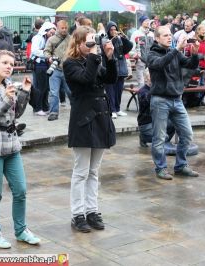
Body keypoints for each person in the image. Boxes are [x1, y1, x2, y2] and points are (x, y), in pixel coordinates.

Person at [0, 49, 40, 248]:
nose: (9, 67)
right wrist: (4, 98)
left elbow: (16, 113)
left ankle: (21, 230)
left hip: (11, 145)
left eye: (11, 64)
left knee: (20, 190)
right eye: (5, 63)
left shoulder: (8, 85)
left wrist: (25, 92)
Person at [63, 26, 117, 232]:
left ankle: (92, 211)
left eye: (94, 41)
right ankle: (77, 214)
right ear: (77, 43)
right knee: (81, 172)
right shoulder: (70, 64)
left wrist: (110, 58)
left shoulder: (93, 60)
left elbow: (110, 79)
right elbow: (85, 79)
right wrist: (96, 56)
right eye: (89, 41)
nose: (93, 45)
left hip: (101, 118)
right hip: (84, 121)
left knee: (94, 171)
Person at [147, 26, 200, 180]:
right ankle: (161, 168)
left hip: (177, 100)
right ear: (157, 38)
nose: (169, 37)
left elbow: (190, 65)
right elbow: (161, 63)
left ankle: (181, 165)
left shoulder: (174, 53)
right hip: (160, 100)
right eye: (165, 35)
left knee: (187, 134)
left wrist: (195, 54)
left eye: (170, 35)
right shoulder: (151, 54)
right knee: (159, 138)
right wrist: (176, 49)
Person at [103, 21, 133, 119]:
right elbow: (106, 49)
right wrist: (115, 39)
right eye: (111, 30)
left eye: (114, 29)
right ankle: (112, 110)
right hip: (110, 69)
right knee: (110, 91)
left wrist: (124, 38)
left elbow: (128, 47)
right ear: (108, 30)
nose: (113, 31)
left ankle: (118, 108)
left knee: (119, 91)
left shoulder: (120, 39)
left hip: (121, 68)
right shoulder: (105, 39)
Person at [43, 20, 71, 121]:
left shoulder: (71, 39)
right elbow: (46, 51)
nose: (64, 30)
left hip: (69, 70)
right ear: (57, 28)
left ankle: (76, 110)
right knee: (54, 92)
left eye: (65, 28)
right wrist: (49, 58)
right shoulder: (51, 39)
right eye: (62, 28)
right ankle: (53, 112)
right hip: (55, 69)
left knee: (71, 91)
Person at [30, 21, 56, 116]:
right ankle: (38, 108)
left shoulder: (48, 39)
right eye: (51, 33)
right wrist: (47, 54)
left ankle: (45, 106)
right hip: (39, 65)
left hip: (46, 64)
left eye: (53, 33)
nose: (52, 35)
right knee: (40, 87)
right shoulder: (37, 38)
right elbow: (35, 51)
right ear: (46, 31)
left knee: (46, 87)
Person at [130, 15, 155, 88]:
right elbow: (131, 48)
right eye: (146, 21)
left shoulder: (152, 34)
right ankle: (141, 99)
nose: (148, 22)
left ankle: (150, 99)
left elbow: (155, 47)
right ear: (141, 22)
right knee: (141, 83)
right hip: (140, 62)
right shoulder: (136, 34)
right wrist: (134, 55)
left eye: (148, 21)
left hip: (151, 62)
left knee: (151, 82)